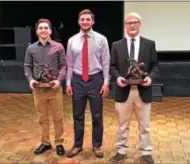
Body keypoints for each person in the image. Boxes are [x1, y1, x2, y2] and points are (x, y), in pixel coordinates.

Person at [109, 12, 159, 164]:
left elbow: (155, 65)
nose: (132, 25)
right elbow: (112, 66)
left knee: (145, 125)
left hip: (143, 91)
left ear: (139, 25)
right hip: (123, 91)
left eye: (135, 22)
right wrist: (117, 77)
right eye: (129, 23)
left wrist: (150, 77)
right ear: (125, 26)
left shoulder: (149, 44)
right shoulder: (116, 45)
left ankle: (146, 151)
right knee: (122, 125)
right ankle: (121, 150)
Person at [65, 9, 110, 158]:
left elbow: (106, 62)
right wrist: (68, 83)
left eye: (88, 19)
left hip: (95, 80)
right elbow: (69, 64)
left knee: (97, 115)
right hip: (77, 80)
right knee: (77, 115)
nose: (85, 22)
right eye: (82, 19)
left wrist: (106, 83)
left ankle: (97, 145)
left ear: (93, 21)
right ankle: (77, 145)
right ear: (79, 21)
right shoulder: (72, 40)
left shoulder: (101, 39)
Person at [24, 18, 66, 156]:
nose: (43, 30)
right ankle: (45, 143)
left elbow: (63, 66)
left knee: (58, 118)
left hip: (54, 89)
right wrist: (30, 80)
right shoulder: (31, 48)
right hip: (38, 89)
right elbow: (27, 67)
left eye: (46, 28)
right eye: (40, 28)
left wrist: (59, 80)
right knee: (42, 118)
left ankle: (59, 142)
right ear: (37, 31)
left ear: (50, 30)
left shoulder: (58, 47)